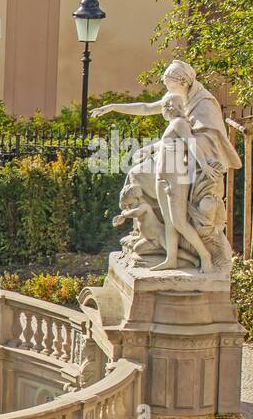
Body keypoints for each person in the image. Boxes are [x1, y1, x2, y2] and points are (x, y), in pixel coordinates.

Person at [91, 60, 241, 272]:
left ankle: (197, 254)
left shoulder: (204, 103)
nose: (167, 92)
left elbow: (202, 141)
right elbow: (146, 107)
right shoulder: (177, 99)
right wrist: (113, 107)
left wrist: (154, 147)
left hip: (185, 166)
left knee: (176, 218)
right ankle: (151, 238)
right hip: (167, 164)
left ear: (183, 81)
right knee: (136, 174)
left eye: (170, 85)